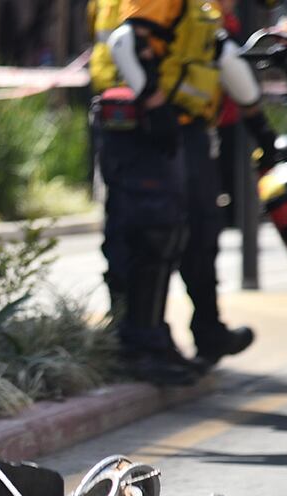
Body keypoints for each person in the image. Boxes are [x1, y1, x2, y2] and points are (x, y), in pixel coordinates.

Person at [90, 0, 276, 383]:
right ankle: (140, 344)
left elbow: (221, 57)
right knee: (149, 233)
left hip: (181, 127)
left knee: (196, 230)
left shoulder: (198, 10)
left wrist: (260, 126)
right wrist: (156, 106)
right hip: (143, 129)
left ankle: (195, 333)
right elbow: (127, 42)